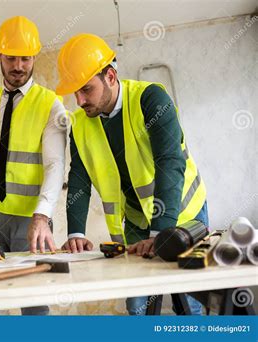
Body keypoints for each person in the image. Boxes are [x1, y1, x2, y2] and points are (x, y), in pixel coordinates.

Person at [56, 33, 208, 315]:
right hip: (137, 222)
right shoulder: (80, 123)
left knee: (188, 303)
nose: (78, 100)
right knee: (138, 306)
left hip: (185, 216)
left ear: (111, 77)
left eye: (86, 90)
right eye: (74, 92)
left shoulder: (151, 98)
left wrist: (161, 232)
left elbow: (169, 161)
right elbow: (78, 176)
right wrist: (76, 232)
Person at [0, 16, 66, 315]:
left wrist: (42, 217)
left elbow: (56, 165)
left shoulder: (50, 104)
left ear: (34, 57)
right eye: (11, 57)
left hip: (30, 220)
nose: (18, 65)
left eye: (25, 58)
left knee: (32, 300)